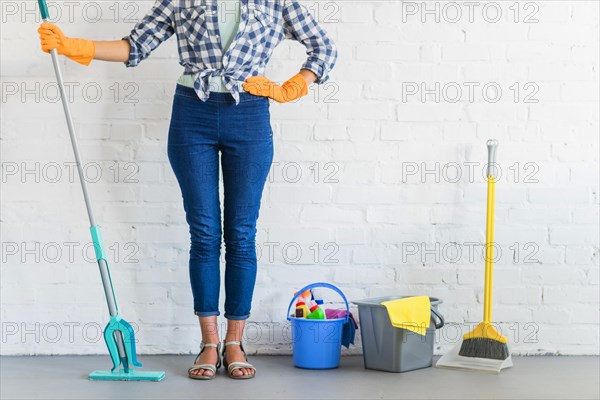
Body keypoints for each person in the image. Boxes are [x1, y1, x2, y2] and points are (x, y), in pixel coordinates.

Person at [38, 0, 337, 380]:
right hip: (191, 115)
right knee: (204, 234)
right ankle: (209, 344)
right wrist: (74, 46)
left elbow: (323, 47)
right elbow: (136, 45)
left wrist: (296, 84)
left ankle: (235, 343)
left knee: (242, 234)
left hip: (250, 112)